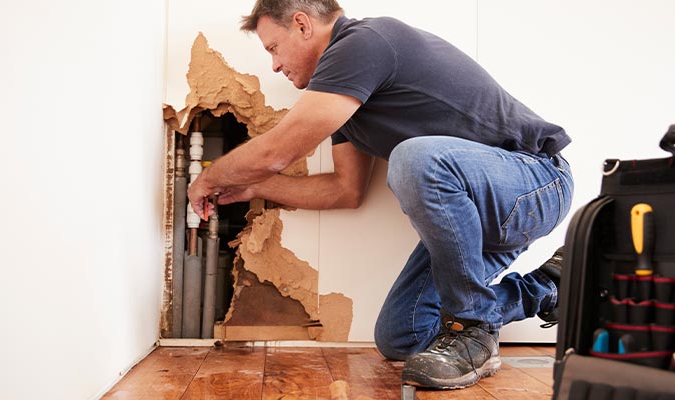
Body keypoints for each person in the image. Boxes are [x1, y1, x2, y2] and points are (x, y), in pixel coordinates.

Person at [187, 0, 573, 390]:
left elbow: (277, 152)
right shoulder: (344, 102)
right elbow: (345, 190)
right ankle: (549, 287)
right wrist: (255, 187)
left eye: (273, 48)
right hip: (473, 218)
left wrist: (209, 178)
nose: (274, 65)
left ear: (303, 25)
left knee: (414, 157)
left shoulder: (365, 42)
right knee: (402, 335)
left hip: (535, 182)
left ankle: (472, 330)